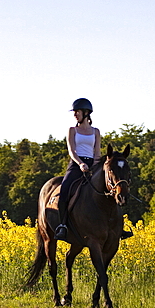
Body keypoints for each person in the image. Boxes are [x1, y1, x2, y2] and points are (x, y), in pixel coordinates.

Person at [54, 99, 101, 242]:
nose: (75, 115)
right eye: (74, 112)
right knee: (65, 190)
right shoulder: (72, 130)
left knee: (110, 188)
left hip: (92, 164)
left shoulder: (96, 131)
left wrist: (97, 166)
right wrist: (80, 164)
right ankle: (62, 224)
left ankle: (115, 226)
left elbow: (97, 153)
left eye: (77, 112)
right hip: (76, 164)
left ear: (86, 113)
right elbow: (71, 151)